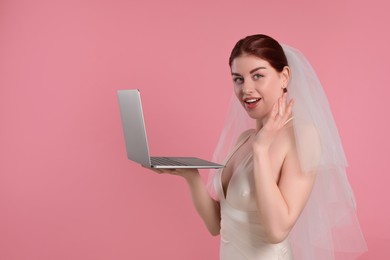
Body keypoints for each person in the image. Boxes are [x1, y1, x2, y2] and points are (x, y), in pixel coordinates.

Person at [151, 34, 367, 260]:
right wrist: (191, 176)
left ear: (284, 77)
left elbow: (277, 231)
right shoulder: (245, 139)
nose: (246, 89)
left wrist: (262, 149)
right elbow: (218, 225)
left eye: (258, 76)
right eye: (238, 79)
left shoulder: (303, 137)